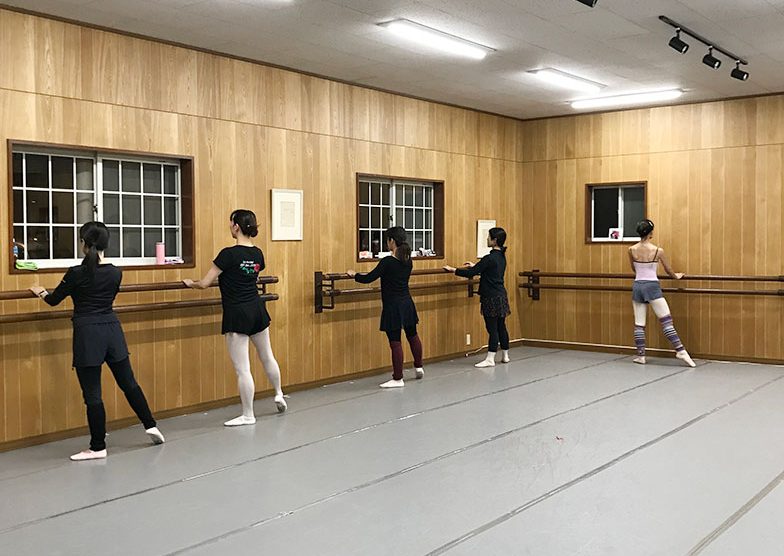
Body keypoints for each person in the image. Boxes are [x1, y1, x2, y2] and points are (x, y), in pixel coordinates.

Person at [30, 222, 164, 461]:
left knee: (92, 394)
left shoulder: (76, 273)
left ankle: (98, 446)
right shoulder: (115, 272)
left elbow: (53, 300)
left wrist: (40, 291)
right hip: (112, 330)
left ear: (83, 243)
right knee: (129, 383)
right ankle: (150, 425)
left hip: (87, 334)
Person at [184, 209, 287, 426]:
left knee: (243, 369)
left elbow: (205, 283)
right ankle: (279, 393)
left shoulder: (228, 254)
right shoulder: (258, 253)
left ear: (236, 226)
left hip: (237, 313)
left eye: (231, 223)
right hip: (257, 309)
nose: (230, 226)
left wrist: (191, 283)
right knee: (267, 356)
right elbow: (252, 275)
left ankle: (248, 414)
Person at [347, 226, 424, 388]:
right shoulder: (408, 260)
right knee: (412, 335)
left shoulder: (388, 262)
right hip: (407, 303)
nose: (386, 243)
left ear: (392, 241)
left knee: (395, 342)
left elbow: (369, 278)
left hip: (392, 306)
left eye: (387, 240)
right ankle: (418, 367)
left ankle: (398, 378)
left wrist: (355, 275)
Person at [628, 219, 696, 367]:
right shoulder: (658, 251)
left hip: (638, 285)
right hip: (652, 286)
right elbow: (668, 269)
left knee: (639, 323)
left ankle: (641, 355)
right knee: (666, 321)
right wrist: (676, 276)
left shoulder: (631, 249)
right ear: (650, 233)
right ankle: (681, 351)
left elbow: (634, 268)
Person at [445, 227, 511, 368]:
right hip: (501, 295)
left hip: (490, 297)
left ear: (494, 240)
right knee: (501, 326)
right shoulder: (501, 257)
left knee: (492, 328)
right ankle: (505, 355)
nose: (487, 239)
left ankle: (490, 358)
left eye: (489, 237)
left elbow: (472, 273)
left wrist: (453, 270)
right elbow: (489, 271)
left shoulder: (489, 258)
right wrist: (476, 265)